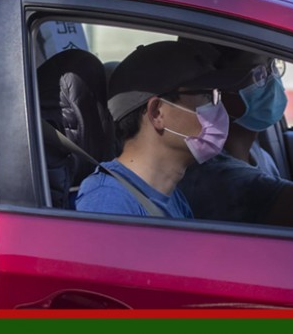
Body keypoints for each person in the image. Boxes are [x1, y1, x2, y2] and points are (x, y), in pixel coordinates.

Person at [178, 42, 293, 231]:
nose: (273, 79)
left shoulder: (256, 152)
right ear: (216, 88)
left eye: (273, 66)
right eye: (259, 73)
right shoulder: (217, 177)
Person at [75, 40, 245, 217]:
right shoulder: (109, 201)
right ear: (157, 113)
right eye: (207, 96)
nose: (219, 109)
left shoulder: (171, 196)